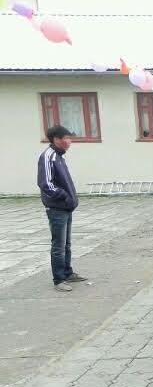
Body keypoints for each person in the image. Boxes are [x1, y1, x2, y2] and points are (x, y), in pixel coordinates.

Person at [37, 125, 87, 292]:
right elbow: (46, 184)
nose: (69, 142)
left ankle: (67, 272)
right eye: (66, 138)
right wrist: (64, 196)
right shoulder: (48, 156)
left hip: (66, 207)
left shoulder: (59, 156)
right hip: (57, 208)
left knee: (66, 244)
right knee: (58, 245)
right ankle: (58, 279)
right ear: (56, 139)